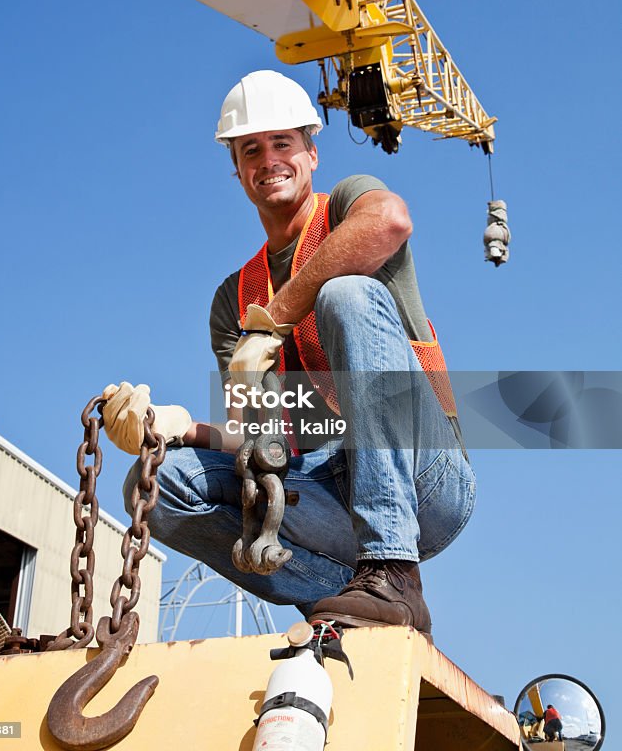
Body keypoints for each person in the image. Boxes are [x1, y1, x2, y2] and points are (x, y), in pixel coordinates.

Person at [103, 70, 475, 635]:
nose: (268, 159)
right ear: (236, 166)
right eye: (251, 148)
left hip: (427, 479)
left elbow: (392, 220)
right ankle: (349, 598)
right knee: (158, 484)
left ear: (312, 152)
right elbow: (262, 444)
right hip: (333, 490)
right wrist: (175, 429)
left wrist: (274, 320)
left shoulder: (349, 208)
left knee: (347, 294)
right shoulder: (234, 298)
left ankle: (394, 571)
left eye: (283, 143)